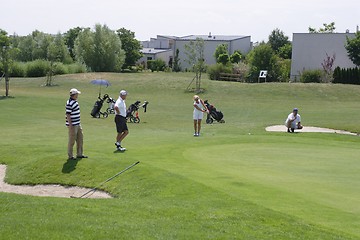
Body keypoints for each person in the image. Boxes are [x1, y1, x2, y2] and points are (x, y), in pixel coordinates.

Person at [65, 88, 88, 160]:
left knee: (80, 139)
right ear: (74, 95)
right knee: (72, 140)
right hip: (73, 125)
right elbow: (68, 114)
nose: (78, 95)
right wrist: (70, 125)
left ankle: (79, 154)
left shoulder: (75, 101)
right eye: (77, 94)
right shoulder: (69, 103)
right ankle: (70, 155)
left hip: (78, 123)